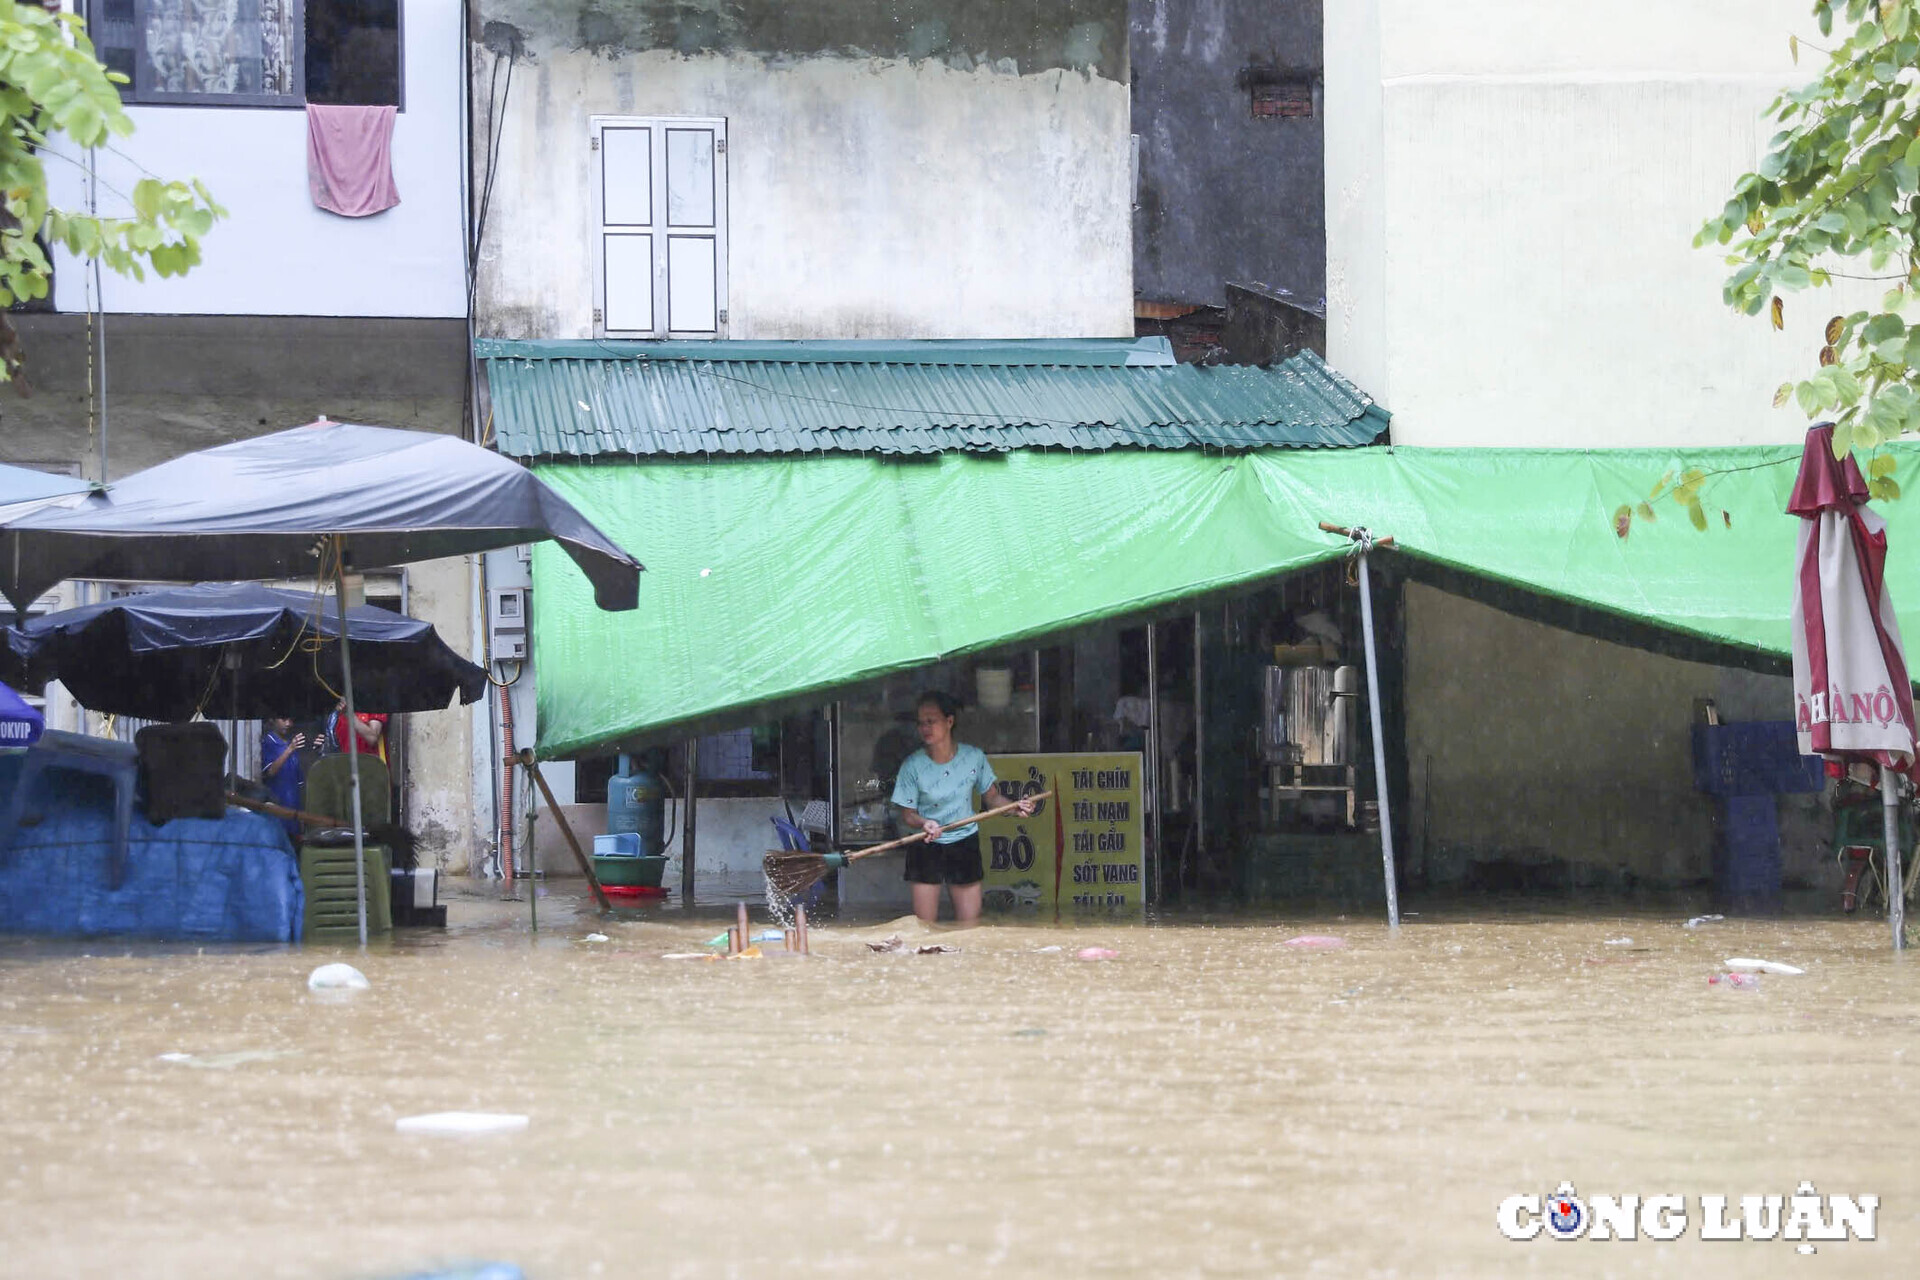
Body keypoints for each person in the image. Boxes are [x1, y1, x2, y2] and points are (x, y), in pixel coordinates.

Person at [890, 690, 1034, 925]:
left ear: (949, 721)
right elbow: (908, 815)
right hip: (926, 844)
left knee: (970, 927)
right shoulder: (911, 766)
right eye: (920, 723)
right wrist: (924, 823)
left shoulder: (974, 757)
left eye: (931, 721)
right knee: (924, 928)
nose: (924, 728)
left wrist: (1014, 807)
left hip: (964, 842)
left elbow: (993, 798)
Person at [260, 717, 307, 841]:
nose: (288, 724)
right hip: (277, 811)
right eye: (283, 720)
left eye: (290, 720)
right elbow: (270, 772)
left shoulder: (290, 744)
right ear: (273, 720)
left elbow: (299, 784)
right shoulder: (268, 742)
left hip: (293, 812)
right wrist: (290, 749)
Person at [331, 699, 389, 765]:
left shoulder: (374, 706)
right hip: (347, 767)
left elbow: (373, 738)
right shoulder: (336, 714)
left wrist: (349, 714)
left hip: (371, 766)